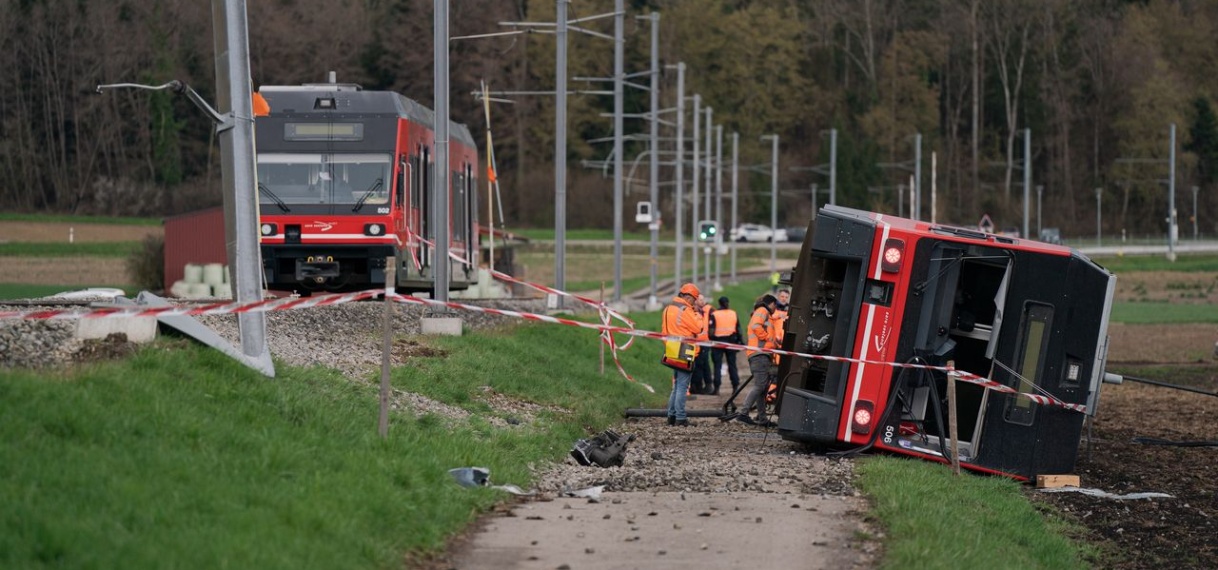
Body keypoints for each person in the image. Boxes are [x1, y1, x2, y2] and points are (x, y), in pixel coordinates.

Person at [663, 283, 706, 427]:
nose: (694, 302)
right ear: (688, 297)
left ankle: (671, 416)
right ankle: (680, 418)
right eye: (694, 299)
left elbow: (664, 330)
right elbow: (698, 327)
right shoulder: (686, 310)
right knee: (682, 385)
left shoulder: (668, 308)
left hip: (672, 348)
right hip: (685, 349)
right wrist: (697, 314)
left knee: (676, 386)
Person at [738, 294, 778, 427]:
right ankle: (743, 413)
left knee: (763, 387)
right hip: (759, 353)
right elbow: (755, 325)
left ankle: (762, 418)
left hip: (761, 353)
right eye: (775, 305)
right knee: (760, 386)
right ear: (770, 303)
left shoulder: (764, 313)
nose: (775, 308)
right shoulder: (763, 311)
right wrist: (767, 338)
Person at [708, 296, 741, 394]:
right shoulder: (733, 313)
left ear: (719, 303)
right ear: (728, 303)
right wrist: (740, 341)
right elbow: (738, 328)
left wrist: (711, 339)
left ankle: (717, 388)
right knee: (732, 365)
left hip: (718, 342)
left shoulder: (714, 314)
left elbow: (711, 331)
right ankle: (735, 387)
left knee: (717, 366)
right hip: (731, 341)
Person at [689, 296, 714, 394]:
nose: (703, 301)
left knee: (702, 365)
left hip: (703, 342)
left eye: (703, 299)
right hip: (695, 342)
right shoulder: (695, 312)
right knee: (698, 365)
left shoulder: (707, 311)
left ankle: (700, 386)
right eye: (700, 299)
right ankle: (698, 385)